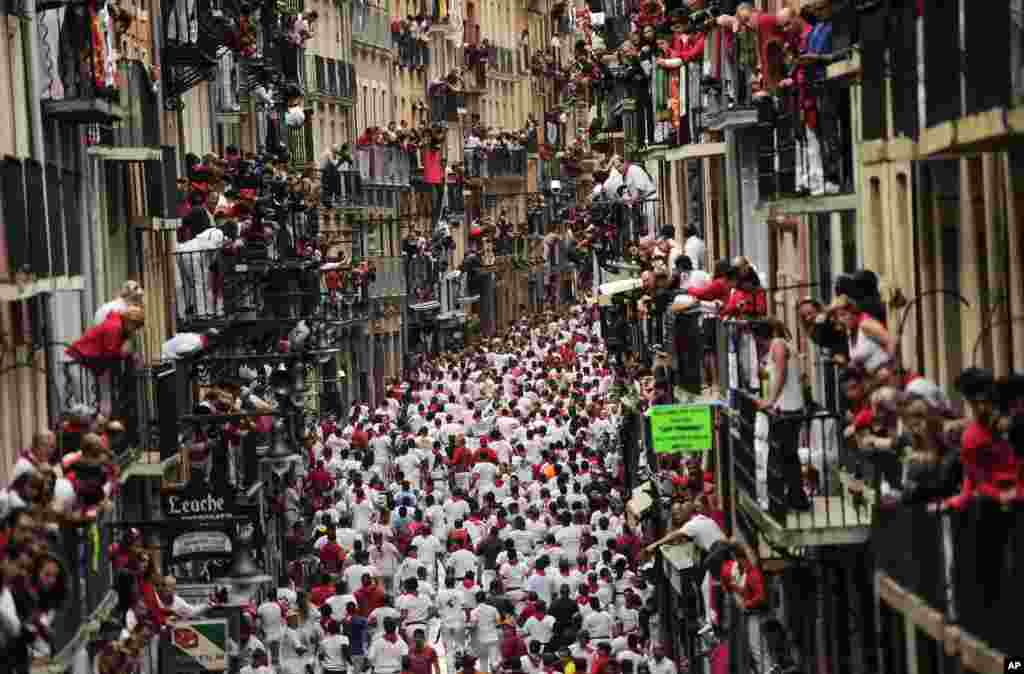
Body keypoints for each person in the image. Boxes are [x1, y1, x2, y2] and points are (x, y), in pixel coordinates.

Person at [754, 319, 811, 514]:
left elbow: (781, 373)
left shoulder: (778, 344)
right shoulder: (781, 346)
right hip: (790, 408)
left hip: (786, 410)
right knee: (789, 456)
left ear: (761, 337)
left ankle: (778, 502)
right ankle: (797, 498)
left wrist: (770, 400)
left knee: (777, 458)